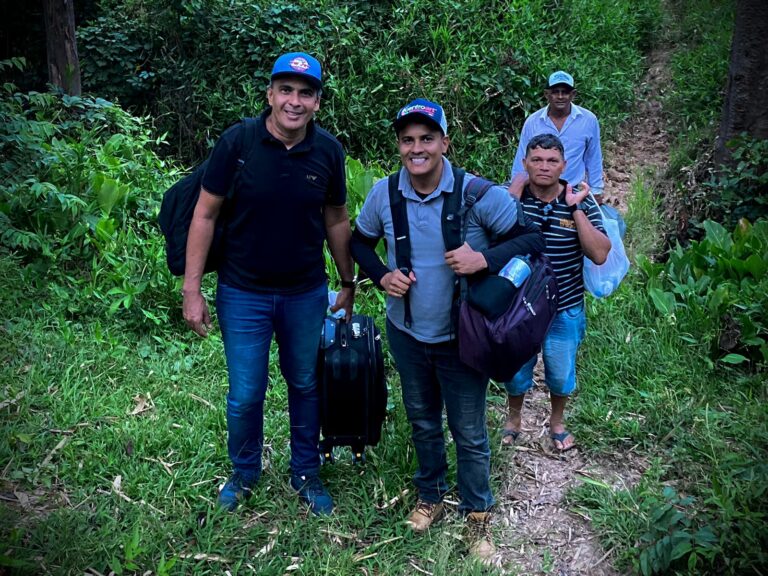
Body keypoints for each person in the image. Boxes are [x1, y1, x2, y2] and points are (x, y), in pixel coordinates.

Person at [350, 98, 544, 563]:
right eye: (408, 140)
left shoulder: (476, 194)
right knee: (421, 418)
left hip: (463, 337)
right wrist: (380, 275)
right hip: (407, 332)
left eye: (427, 139)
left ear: (444, 143)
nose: (417, 149)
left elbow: (531, 239)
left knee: (470, 430)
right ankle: (431, 495)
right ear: (399, 146)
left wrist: (485, 258)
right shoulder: (385, 193)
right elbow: (359, 240)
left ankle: (477, 515)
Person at [182, 52, 355, 516]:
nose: (294, 101)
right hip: (243, 292)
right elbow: (205, 213)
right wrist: (192, 290)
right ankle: (244, 472)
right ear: (270, 94)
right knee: (245, 392)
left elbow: (336, 218)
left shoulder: (328, 151)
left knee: (304, 382)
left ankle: (305, 471)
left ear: (317, 102)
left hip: (305, 291)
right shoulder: (238, 143)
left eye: (305, 93)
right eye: (286, 90)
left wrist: (347, 280)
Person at [502, 134, 610, 451]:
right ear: (525, 163)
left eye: (552, 161)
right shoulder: (514, 197)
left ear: (563, 165)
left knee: (561, 374)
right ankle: (513, 418)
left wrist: (575, 210)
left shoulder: (579, 198)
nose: (544, 167)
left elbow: (600, 253)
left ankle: (557, 421)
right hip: (519, 306)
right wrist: (511, 192)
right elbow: (494, 240)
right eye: (536, 160)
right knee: (516, 369)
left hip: (566, 304)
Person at [510, 71, 605, 204]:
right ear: (547, 94)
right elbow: (522, 159)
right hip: (537, 192)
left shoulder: (588, 120)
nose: (560, 96)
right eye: (555, 92)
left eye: (565, 92)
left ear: (573, 94)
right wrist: (516, 189)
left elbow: (593, 157)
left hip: (573, 192)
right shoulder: (533, 122)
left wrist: (596, 191)